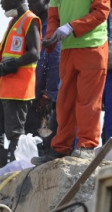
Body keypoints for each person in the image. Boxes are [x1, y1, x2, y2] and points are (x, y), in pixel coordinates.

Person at [32, 0, 110, 164]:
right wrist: (51, 37)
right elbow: (53, 16)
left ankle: (86, 147)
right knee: (64, 103)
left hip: (92, 46)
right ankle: (60, 149)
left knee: (88, 101)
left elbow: (102, 11)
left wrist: (72, 26)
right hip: (68, 50)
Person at [0, 0, 41, 179]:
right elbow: (8, 57)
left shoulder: (29, 19)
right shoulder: (13, 22)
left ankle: (16, 173)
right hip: (3, 87)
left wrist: (6, 66)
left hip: (18, 88)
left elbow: (34, 52)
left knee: (14, 133)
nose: (1, 3)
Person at [25, 0, 61, 153]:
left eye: (33, 0)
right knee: (33, 143)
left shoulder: (55, 27)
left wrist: (48, 95)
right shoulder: (34, 26)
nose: (29, 3)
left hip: (48, 100)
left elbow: (55, 63)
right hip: (33, 96)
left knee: (47, 143)